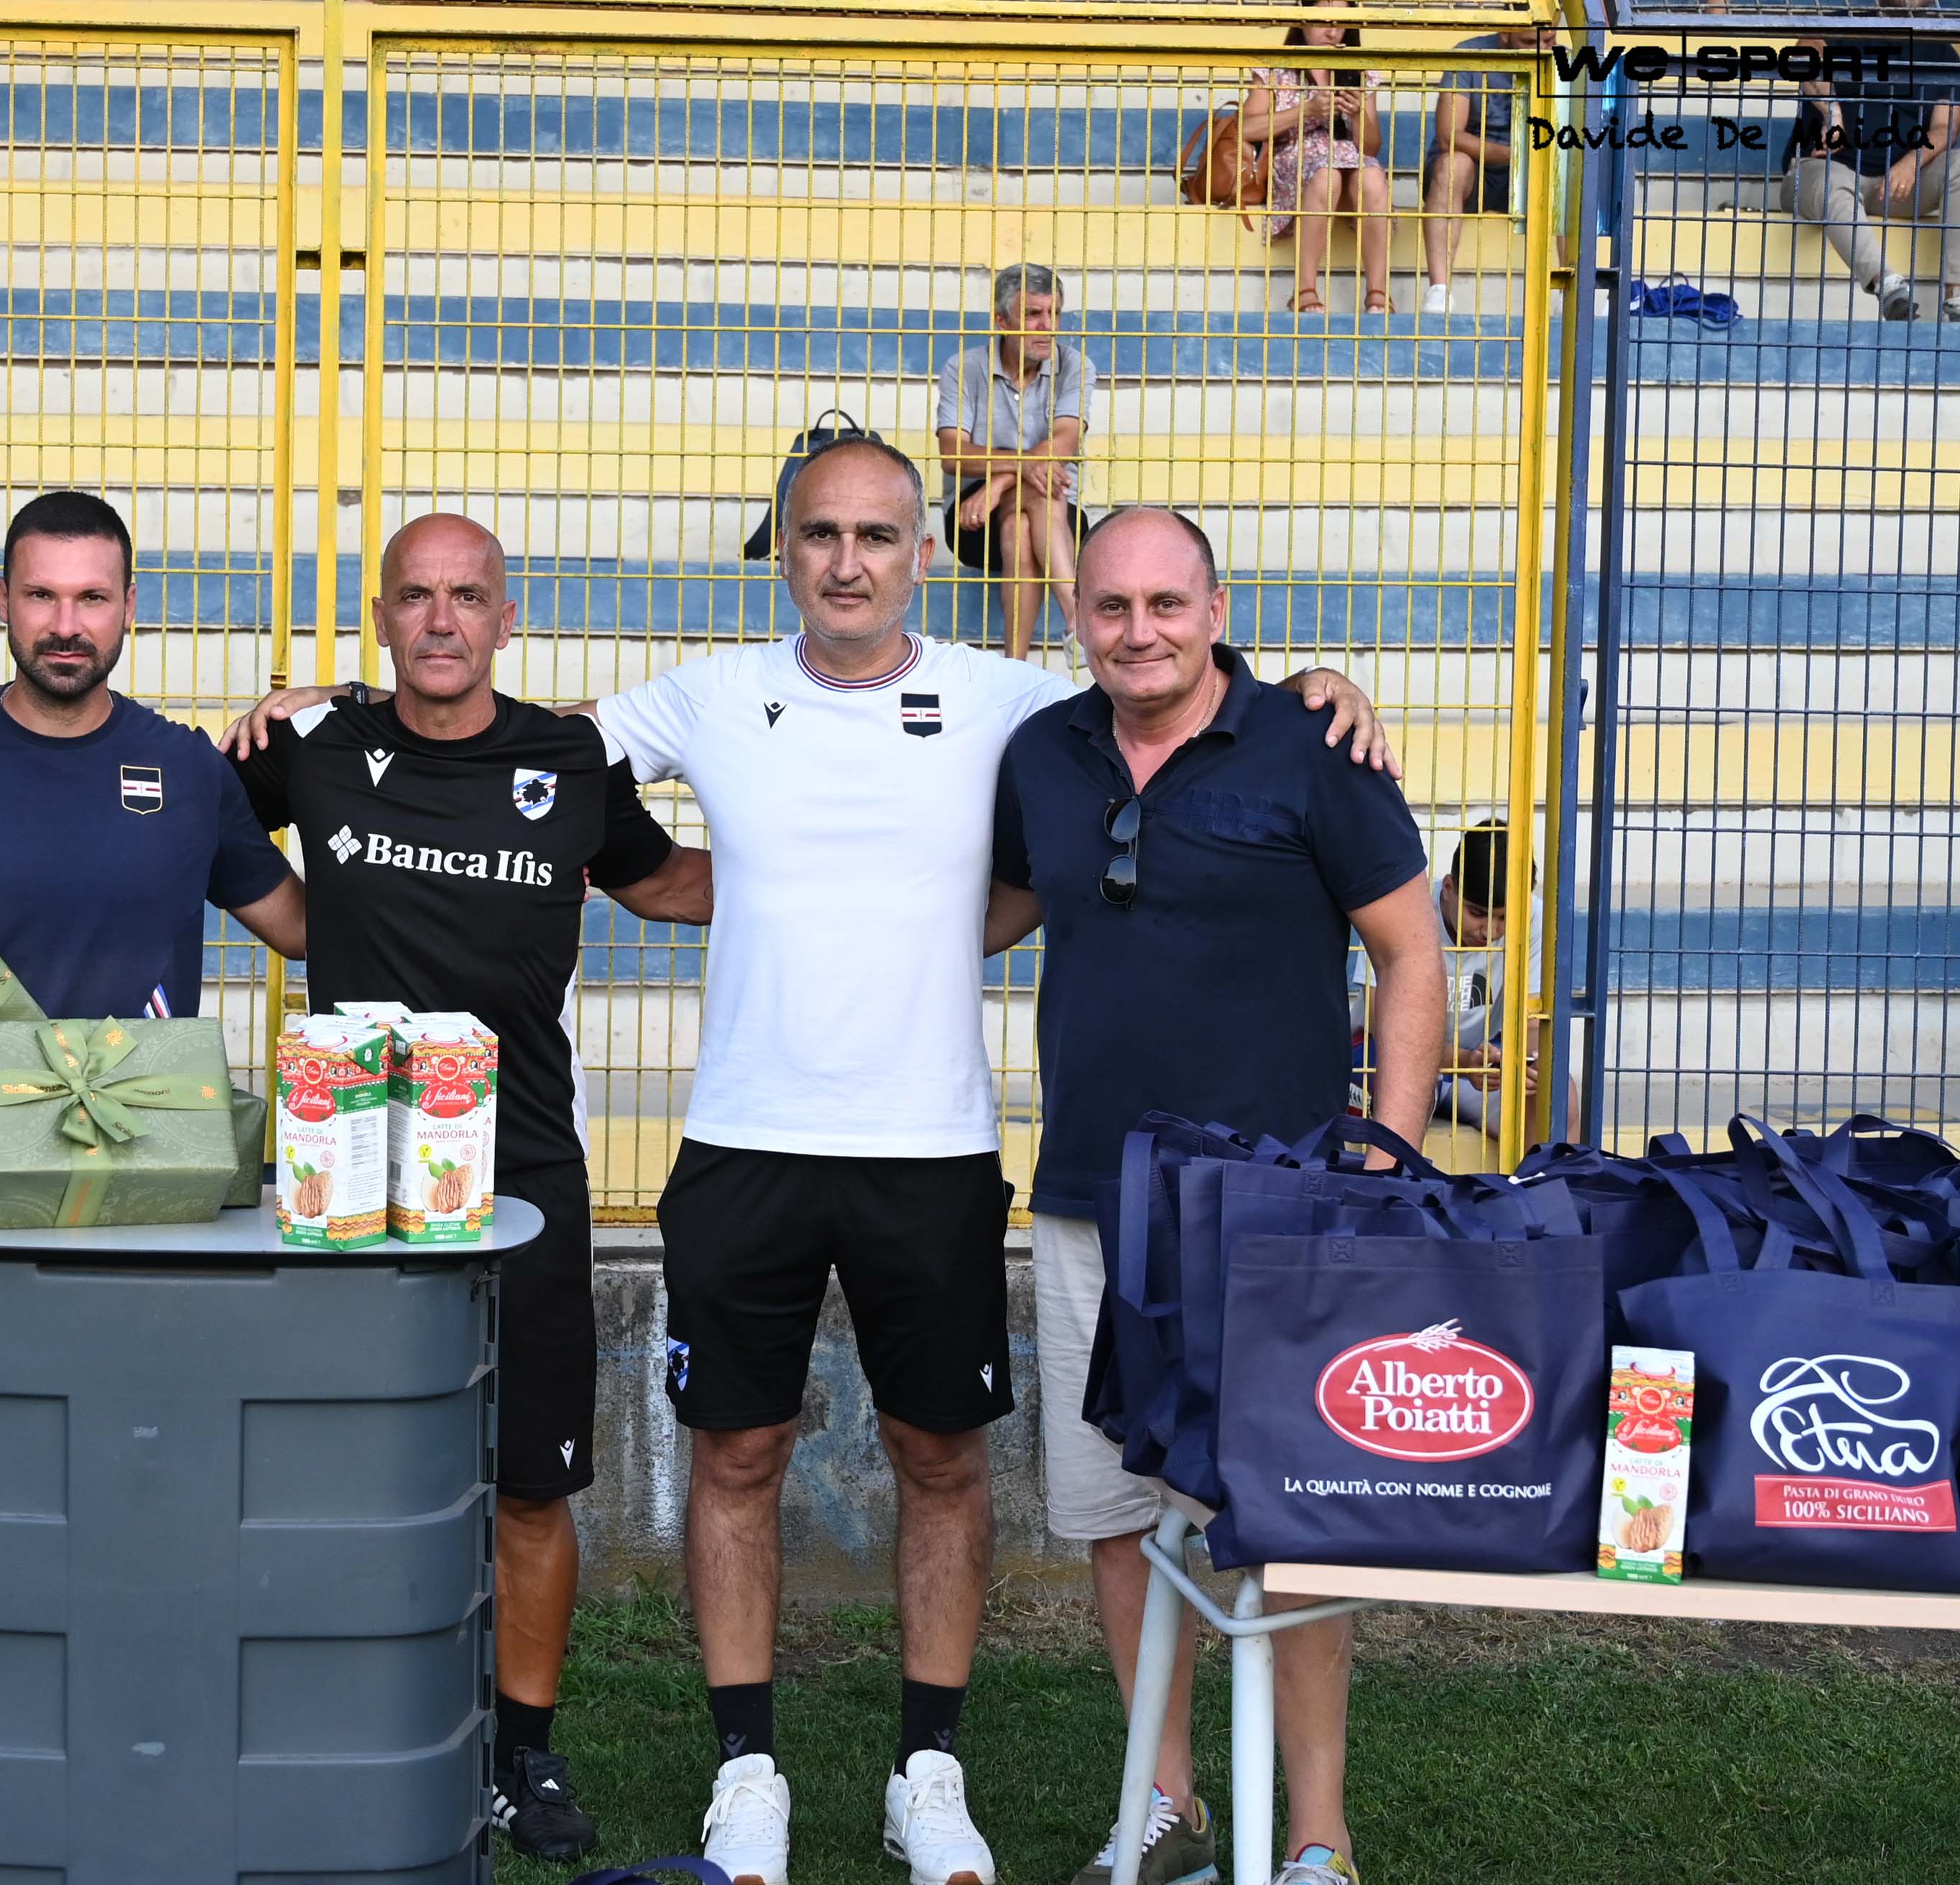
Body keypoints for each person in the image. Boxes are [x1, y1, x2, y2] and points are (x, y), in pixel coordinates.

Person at [234, 444, 1385, 1885]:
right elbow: (501, 732)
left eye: (878, 535)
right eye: (822, 533)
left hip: (932, 1145)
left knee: (941, 1461)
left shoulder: (1008, 698)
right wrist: (329, 708)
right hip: (744, 1142)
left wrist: (1309, 686)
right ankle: (748, 1774)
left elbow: (1163, 677)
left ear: (921, 552)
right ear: (784, 551)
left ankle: (929, 1771)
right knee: (738, 1456)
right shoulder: (706, 695)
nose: (848, 560)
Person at [217, 511, 712, 1861]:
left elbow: (665, 883)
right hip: (349, 1162)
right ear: (382, 616)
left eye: (469, 596)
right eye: (417, 596)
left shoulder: (569, 760)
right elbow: (179, 818)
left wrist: (850, 877)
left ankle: (523, 1754)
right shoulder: (314, 748)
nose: (443, 619)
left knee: (531, 1481)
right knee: (338, 1469)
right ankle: (343, 1724)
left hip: (523, 1167)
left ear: (508, 615)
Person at [989, 507, 1449, 1885]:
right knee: (1117, 1516)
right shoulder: (1041, 753)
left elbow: (1411, 953)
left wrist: (1386, 1159)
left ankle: (1317, 1836)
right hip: (1092, 1197)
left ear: (1216, 609)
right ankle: (1167, 1808)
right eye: (1111, 606)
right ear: (1077, 614)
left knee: (1288, 1522)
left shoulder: (1315, 744)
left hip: (1281, 1212)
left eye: (1166, 604)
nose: (1139, 631)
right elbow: (987, 909)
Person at [0, 489, 306, 1003]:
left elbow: (298, 929)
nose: (66, 628)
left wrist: (346, 727)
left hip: (139, 1063)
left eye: (92, 598)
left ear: (128, 606)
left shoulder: (190, 769)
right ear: (4, 600)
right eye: (41, 596)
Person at [1351, 820, 1574, 1150]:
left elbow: (1532, 1023)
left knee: (1559, 1095)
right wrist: (1462, 1060)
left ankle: (1536, 1183)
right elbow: (1379, 1020)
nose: (1490, 931)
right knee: (1395, 1085)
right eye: (1478, 913)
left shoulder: (1533, 917)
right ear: (1448, 887)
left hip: (1482, 1062)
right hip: (1391, 1056)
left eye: (1504, 917)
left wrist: (1526, 1065)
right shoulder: (1405, 911)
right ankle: (1392, 1182)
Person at [934, 261, 1094, 659]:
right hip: (974, 518)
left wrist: (1000, 482)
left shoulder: (1075, 366)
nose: (1048, 326)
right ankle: (1077, 618)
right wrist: (1019, 470)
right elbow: (953, 454)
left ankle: (1014, 665)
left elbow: (1063, 443)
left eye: (1055, 313)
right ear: (1002, 320)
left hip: (1056, 514)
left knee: (1023, 520)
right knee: (1039, 491)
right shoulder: (964, 368)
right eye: (1034, 314)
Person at [1785, 23, 1960, 323]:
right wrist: (1832, 112)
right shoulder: (1849, 25)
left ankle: (1956, 298)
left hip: (1900, 185)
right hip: (1828, 170)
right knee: (1828, 181)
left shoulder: (1941, 51)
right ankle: (1888, 287)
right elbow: (1805, 55)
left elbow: (1945, 127)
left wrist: (1912, 162)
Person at [1239, 2, 1395, 315]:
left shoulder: (1361, 70)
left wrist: (1358, 114)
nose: (1332, 31)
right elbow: (1247, 128)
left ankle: (1378, 293)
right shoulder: (1277, 68)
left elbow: (1371, 148)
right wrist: (1306, 111)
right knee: (1327, 175)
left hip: (1351, 162)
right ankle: (1304, 289)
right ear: (1302, 22)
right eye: (1323, 21)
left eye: (1341, 23)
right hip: (1296, 160)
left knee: (1374, 175)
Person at [1419, 29, 1538, 315]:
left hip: (1533, 175)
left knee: (1573, 167)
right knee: (1453, 164)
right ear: (1507, 32)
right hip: (1474, 173)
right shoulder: (1470, 55)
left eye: (1549, 42)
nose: (1540, 51)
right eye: (1529, 43)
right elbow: (1449, 136)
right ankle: (1439, 290)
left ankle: (1571, 294)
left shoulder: (1564, 62)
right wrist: (1516, 155)